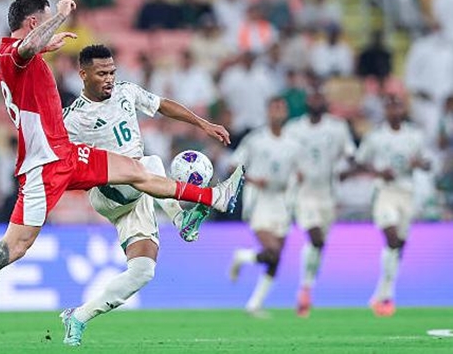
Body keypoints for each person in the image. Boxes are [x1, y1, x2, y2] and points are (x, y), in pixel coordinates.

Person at [0, 0, 245, 349]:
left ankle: (215, 197)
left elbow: (25, 55)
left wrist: (45, 44)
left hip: (66, 154)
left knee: (141, 168)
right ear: (33, 23)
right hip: (44, 167)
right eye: (45, 20)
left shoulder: (16, 58)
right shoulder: (12, 54)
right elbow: (24, 49)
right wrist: (60, 16)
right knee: (15, 246)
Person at [60, 44, 227, 345]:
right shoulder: (73, 119)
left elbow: (162, 105)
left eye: (112, 72)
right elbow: (58, 160)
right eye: (101, 74)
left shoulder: (126, 91)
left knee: (142, 271)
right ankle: (183, 219)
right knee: (149, 163)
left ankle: (78, 317)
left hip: (141, 190)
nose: (109, 79)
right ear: (83, 74)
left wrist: (203, 123)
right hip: (110, 192)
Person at [352, 94, 430, 316]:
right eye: (390, 107)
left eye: (397, 107)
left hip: (407, 192)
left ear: (403, 110)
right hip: (385, 192)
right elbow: (359, 162)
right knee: (392, 238)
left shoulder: (414, 135)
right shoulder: (376, 136)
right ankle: (387, 296)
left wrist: (419, 163)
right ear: (385, 110)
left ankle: (382, 293)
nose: (394, 111)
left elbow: (428, 163)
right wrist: (378, 172)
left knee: (398, 246)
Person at [283, 91, 356, 317]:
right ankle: (305, 288)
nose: (316, 102)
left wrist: (347, 168)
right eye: (312, 98)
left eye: (319, 98)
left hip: (327, 194)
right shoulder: (294, 129)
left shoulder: (337, 127)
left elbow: (350, 154)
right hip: (303, 193)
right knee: (315, 236)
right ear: (307, 102)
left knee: (319, 243)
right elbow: (282, 155)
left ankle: (306, 288)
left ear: (325, 102)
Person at [228, 97, 300, 317]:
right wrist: (253, 179)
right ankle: (241, 257)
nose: (278, 112)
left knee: (275, 259)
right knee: (272, 251)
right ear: (268, 112)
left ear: (286, 113)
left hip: (282, 200)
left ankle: (254, 304)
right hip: (259, 199)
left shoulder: (293, 143)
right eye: (274, 108)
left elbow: (298, 171)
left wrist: (298, 180)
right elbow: (233, 166)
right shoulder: (255, 140)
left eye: (281, 108)